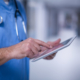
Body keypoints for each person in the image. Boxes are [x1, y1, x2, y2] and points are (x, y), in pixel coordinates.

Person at [0, 0, 61, 80]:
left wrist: (38, 50)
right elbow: (14, 50)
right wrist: (10, 51)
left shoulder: (19, 6)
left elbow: (19, 48)